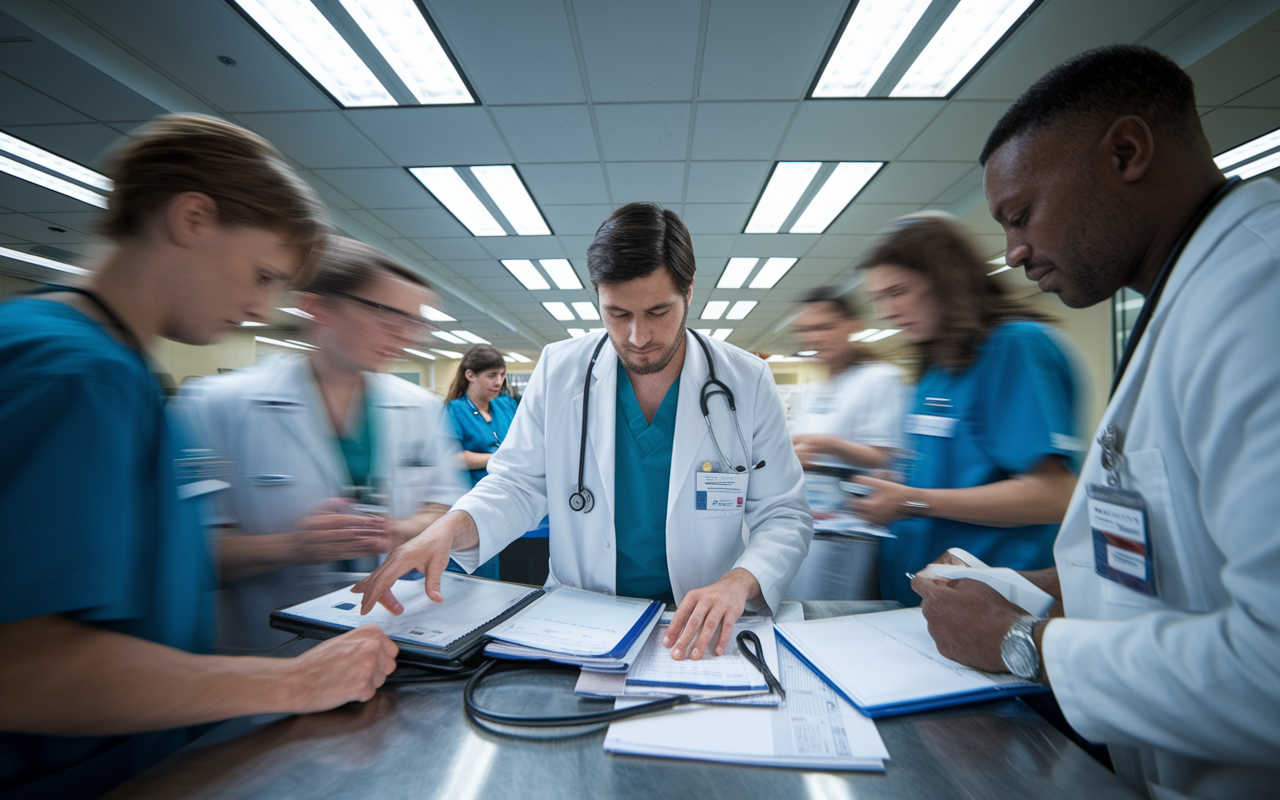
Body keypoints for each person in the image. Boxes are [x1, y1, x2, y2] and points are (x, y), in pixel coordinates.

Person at [911, 45, 1280, 799]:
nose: (1012, 252)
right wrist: (1026, 587)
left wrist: (1021, 641)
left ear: (1125, 151)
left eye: (1021, 216)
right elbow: (1182, 565)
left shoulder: (1259, 300)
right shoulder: (1187, 298)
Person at [0, 115, 397, 800]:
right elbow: (21, 666)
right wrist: (294, 680)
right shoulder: (72, 373)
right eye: (261, 275)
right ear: (191, 218)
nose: (258, 307)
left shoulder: (107, 366)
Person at [354, 202, 812, 661]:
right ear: (597, 296)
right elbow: (517, 484)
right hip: (581, 619)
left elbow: (783, 514)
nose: (637, 336)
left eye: (657, 311)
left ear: (689, 292)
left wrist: (740, 581)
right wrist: (448, 529)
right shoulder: (560, 369)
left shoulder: (745, 381)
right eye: (617, 313)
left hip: (699, 623)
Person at [177, 236, 467, 652]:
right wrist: (291, 547)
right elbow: (183, 554)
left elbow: (443, 508)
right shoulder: (217, 404)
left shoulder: (418, 407)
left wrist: (396, 531)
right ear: (317, 307)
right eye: (385, 313)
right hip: (263, 645)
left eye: (414, 321)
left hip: (394, 636)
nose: (404, 335)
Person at [852, 212, 1084, 606]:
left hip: (993, 602)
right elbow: (950, 466)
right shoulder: (939, 366)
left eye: (898, 292)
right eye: (879, 300)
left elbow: (1055, 494)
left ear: (945, 281)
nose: (887, 313)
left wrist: (910, 499)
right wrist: (894, 482)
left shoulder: (1014, 347)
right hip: (926, 599)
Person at [786, 286, 906, 600]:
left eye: (824, 327)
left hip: (854, 527)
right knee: (805, 611)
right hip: (816, 523)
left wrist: (828, 445)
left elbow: (885, 457)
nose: (813, 337)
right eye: (806, 330)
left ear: (853, 326)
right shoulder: (817, 388)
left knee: (837, 616)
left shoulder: (879, 379)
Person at [440, 345, 518, 579]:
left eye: (502, 375)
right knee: (477, 574)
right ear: (470, 375)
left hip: (507, 503)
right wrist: (499, 459)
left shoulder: (506, 405)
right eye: (491, 375)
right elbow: (451, 458)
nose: (499, 382)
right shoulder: (454, 410)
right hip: (471, 502)